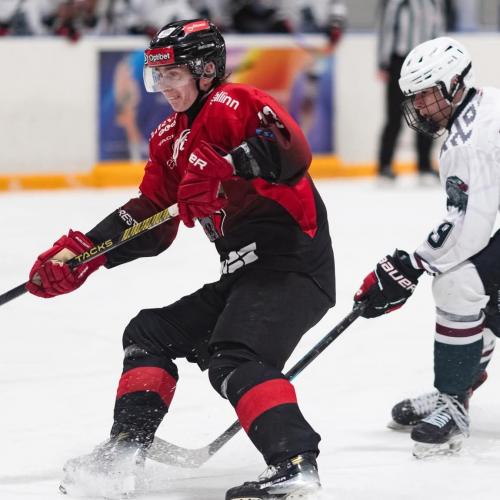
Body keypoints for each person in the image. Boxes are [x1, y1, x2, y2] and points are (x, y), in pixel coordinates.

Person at [27, 18, 336, 499]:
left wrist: (227, 167)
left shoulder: (234, 104)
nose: (164, 86)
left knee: (235, 357)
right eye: (158, 75)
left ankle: (295, 465)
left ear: (206, 69)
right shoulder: (168, 138)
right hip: (243, 277)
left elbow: (291, 149)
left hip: (291, 268)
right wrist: (85, 252)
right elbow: (151, 218)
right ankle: (126, 447)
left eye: (173, 74)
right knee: (148, 334)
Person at [354, 36, 500, 458]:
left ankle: (452, 402)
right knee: (486, 294)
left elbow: (468, 228)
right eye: (414, 97)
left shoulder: (468, 141)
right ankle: (457, 388)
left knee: (457, 283)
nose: (418, 106)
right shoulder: (486, 101)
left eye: (425, 95)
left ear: (454, 85)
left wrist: (412, 265)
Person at [376, 0, 445, 183]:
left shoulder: (432, 3)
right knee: (394, 116)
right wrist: (383, 63)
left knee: (427, 115)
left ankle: (424, 166)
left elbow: (438, 30)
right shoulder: (395, 3)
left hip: (426, 64)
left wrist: (440, 62)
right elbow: (386, 29)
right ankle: (384, 165)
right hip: (399, 62)